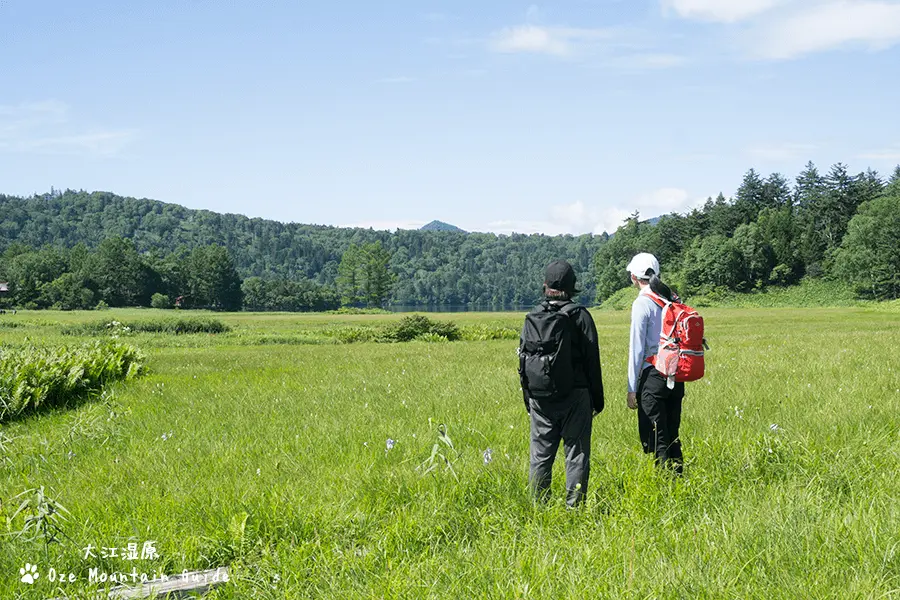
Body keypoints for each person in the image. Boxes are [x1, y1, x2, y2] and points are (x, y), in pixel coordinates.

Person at [518, 260, 604, 507]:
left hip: (539, 397)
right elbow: (592, 362)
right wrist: (597, 401)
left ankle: (538, 506)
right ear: (572, 286)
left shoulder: (533, 316)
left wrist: (528, 398)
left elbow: (523, 360)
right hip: (576, 396)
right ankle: (573, 508)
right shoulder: (580, 316)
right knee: (576, 454)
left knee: (540, 456)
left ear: (545, 285)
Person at [625, 252, 685, 473]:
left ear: (634, 277)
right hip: (675, 373)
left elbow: (636, 348)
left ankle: (663, 483)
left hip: (653, 376)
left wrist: (632, 388)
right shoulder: (670, 297)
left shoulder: (642, 303)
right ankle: (678, 477)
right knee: (672, 431)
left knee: (657, 433)